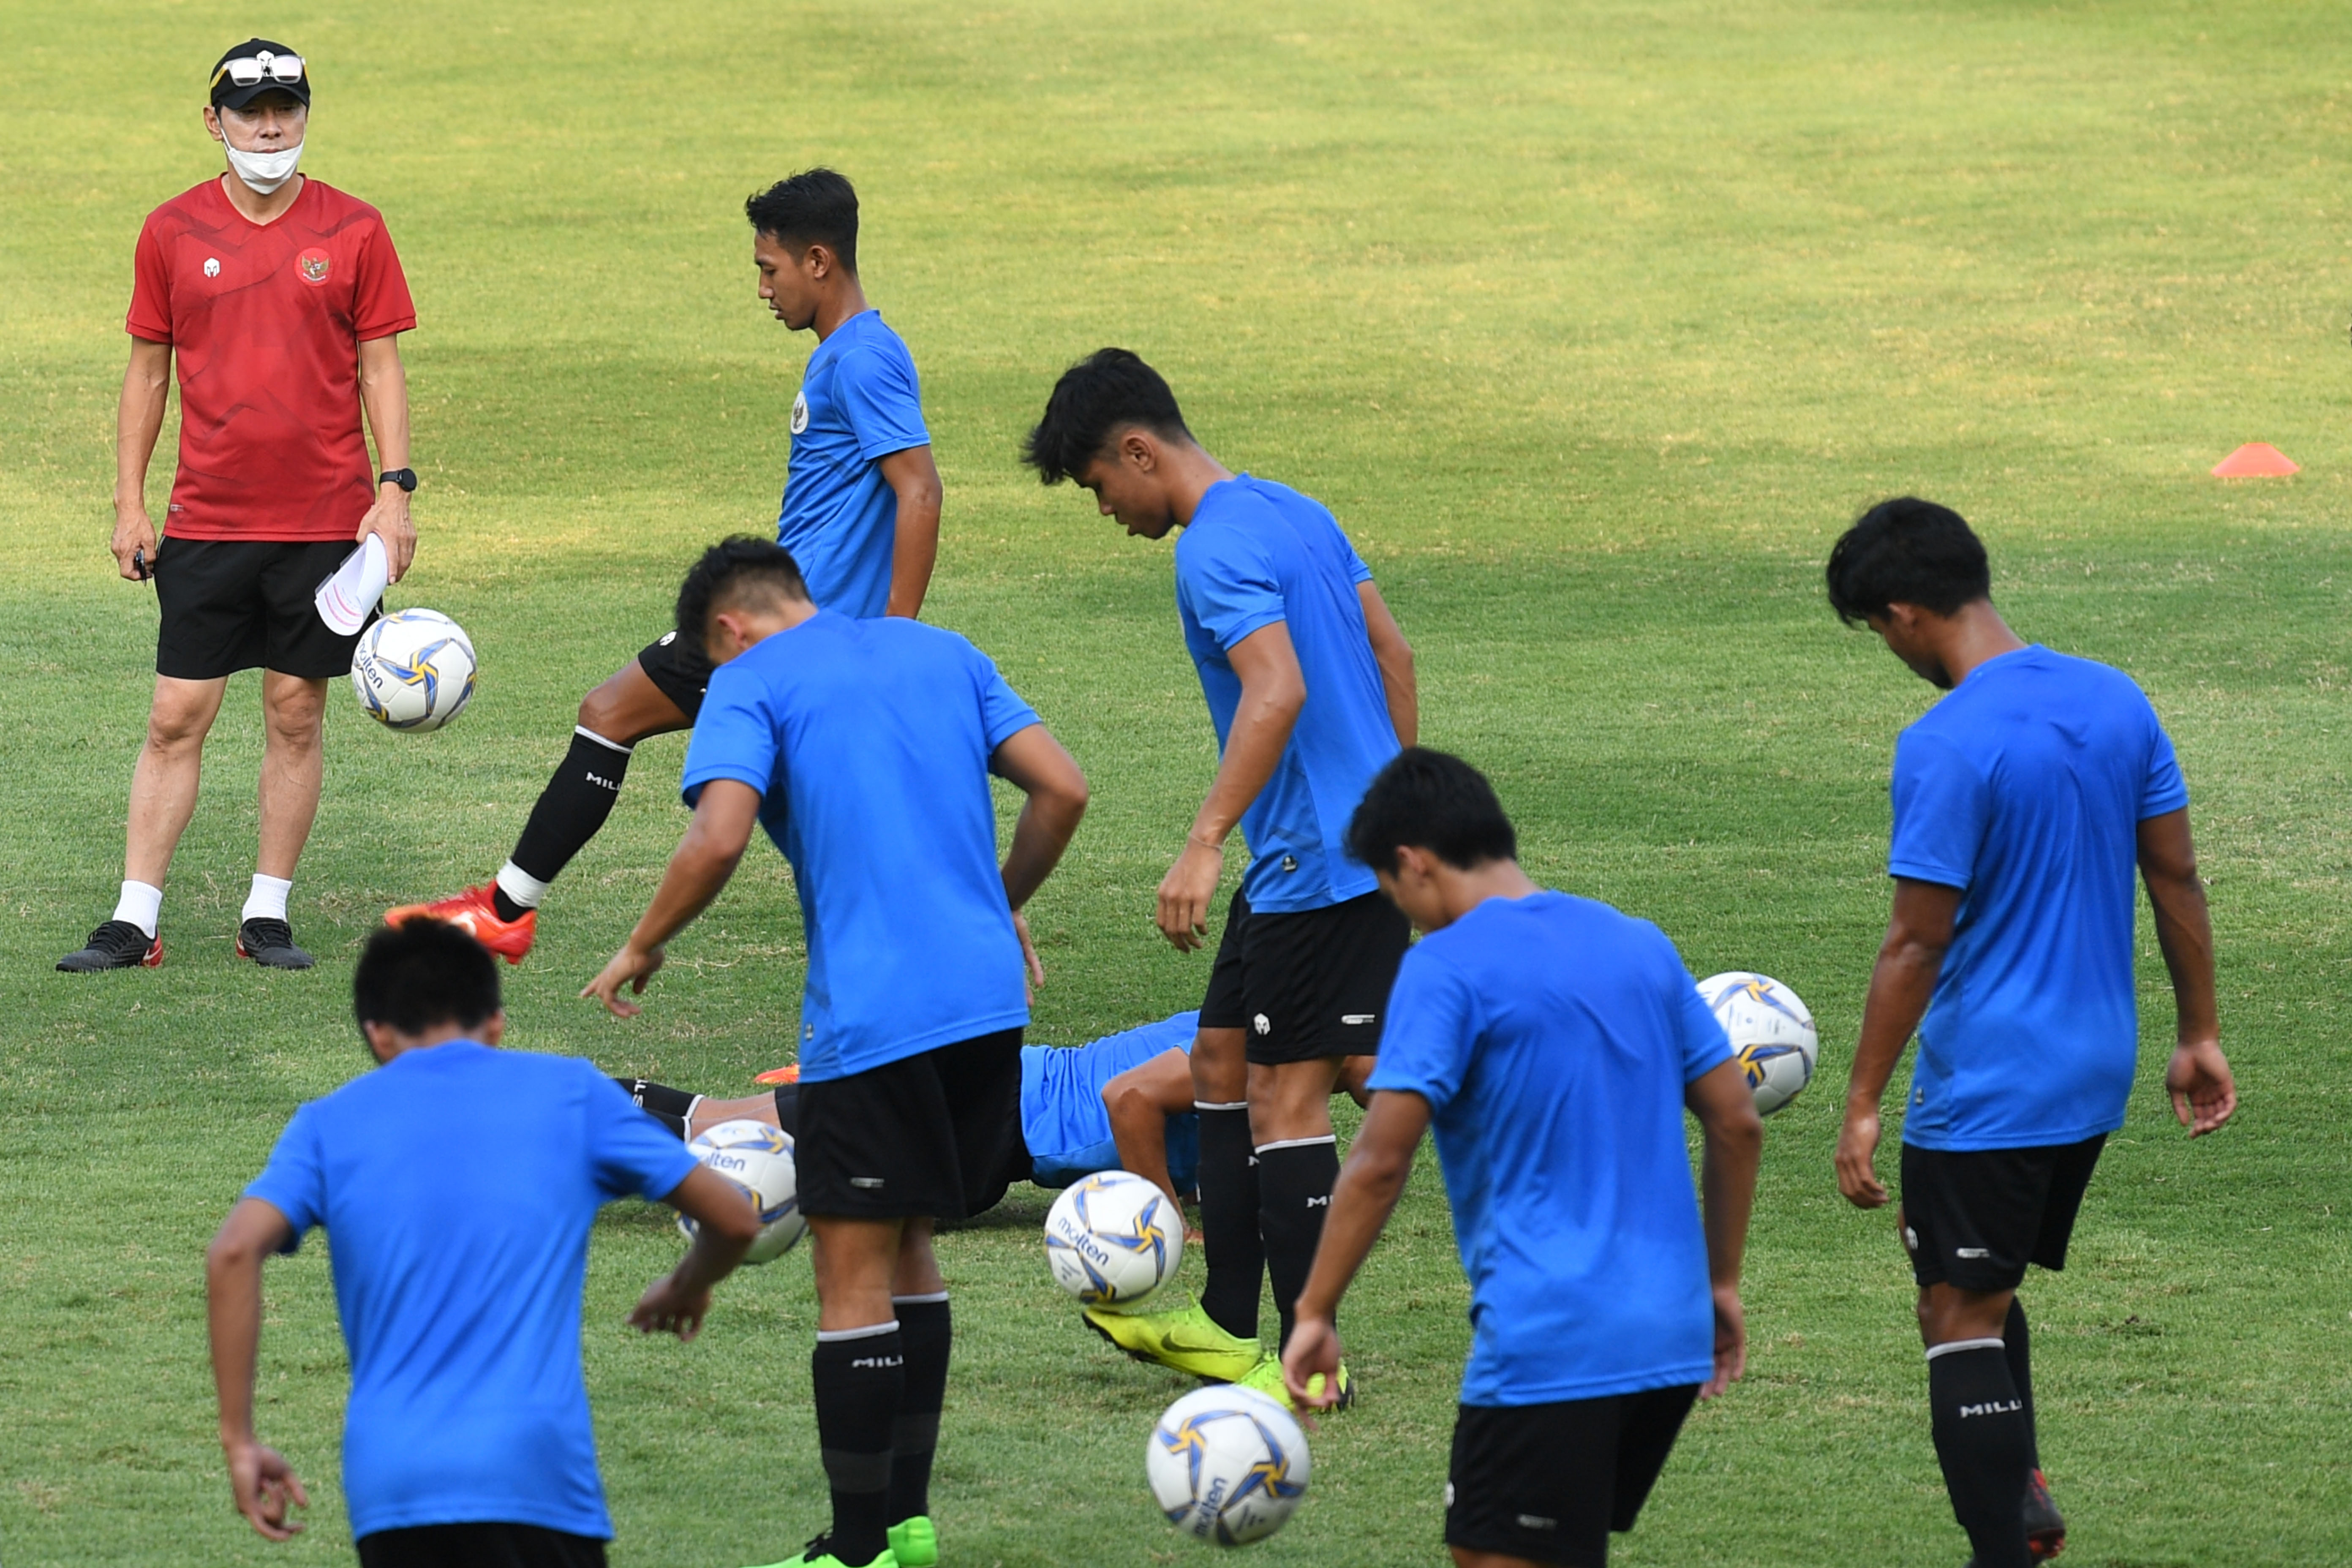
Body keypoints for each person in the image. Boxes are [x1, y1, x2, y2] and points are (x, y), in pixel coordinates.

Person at [582, 538, 1087, 1568]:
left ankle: (853, 1551)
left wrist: (645, 939)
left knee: (849, 1267)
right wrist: (998, 904)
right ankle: (906, 1527)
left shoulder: (749, 681)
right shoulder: (940, 649)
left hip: (876, 1009)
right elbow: (1064, 789)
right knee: (909, 1244)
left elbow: (718, 836)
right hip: (987, 1003)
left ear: (725, 630)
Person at [1824, 498, 2236, 1568]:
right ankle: (2025, 1491)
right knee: (1972, 1285)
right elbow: (2176, 872)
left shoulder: (1948, 741)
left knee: (1956, 1316)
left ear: (1907, 612)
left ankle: (2003, 1552)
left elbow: (1916, 943)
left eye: (1880, 632)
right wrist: (2201, 1031)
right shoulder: (2115, 698)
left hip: (1993, 1082)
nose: (1891, 651)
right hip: (2098, 1067)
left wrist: (1864, 1099)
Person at [389, 168, 942, 962]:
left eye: (769, 268)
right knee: (627, 718)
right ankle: (508, 909)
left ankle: (889, 1026)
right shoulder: (846, 354)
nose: (763, 289)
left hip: (792, 636)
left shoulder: (864, 361)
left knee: (813, 818)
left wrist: (894, 641)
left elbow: (921, 493)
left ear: (818, 262)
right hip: (774, 624)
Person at [1022, 348, 1416, 1406]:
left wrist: (1203, 838)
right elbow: (1394, 654)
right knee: (1216, 1067)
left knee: (1289, 1104)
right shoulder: (1295, 508)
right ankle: (1225, 1319)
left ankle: (1308, 1355)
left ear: (1139, 450)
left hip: (1318, 866)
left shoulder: (1211, 551)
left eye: (1102, 487)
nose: (1106, 510)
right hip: (1322, 857)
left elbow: (1275, 689)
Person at [1281, 749, 1761, 1568]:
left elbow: (1380, 1160)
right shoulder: (1639, 944)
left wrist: (1315, 1310)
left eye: (1394, 897)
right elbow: (1737, 1122)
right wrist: (1719, 1283)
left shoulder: (1445, 964)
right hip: (1670, 1334)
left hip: (1554, 1335)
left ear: (1413, 862)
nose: (1404, 919)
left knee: (1496, 1552)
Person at [205, 917, 760, 1566]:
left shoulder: (326, 1125)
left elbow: (234, 1252)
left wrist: (240, 1440)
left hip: (394, 1485)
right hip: (537, 1476)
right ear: (496, 1022)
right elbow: (736, 1219)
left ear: (376, 1035)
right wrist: (685, 1284)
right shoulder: (572, 1095)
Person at [62, 38, 417, 974]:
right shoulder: (171, 231)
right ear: (213, 119)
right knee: (177, 712)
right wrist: (128, 503)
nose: (270, 127)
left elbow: (381, 361)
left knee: (296, 711)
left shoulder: (357, 229)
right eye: (252, 110)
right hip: (208, 521)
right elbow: (149, 371)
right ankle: (134, 917)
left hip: (327, 526)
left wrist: (397, 491)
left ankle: (269, 913)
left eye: (286, 108)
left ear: (306, 113)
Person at [612, 1011, 1371, 1228]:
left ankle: (575, 1112)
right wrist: (1162, 1215)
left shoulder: (1290, 1067)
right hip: (991, 1113)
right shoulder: (1264, 1048)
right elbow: (1130, 1101)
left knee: (721, 1129)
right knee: (724, 1140)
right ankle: (560, 1118)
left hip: (996, 1114)